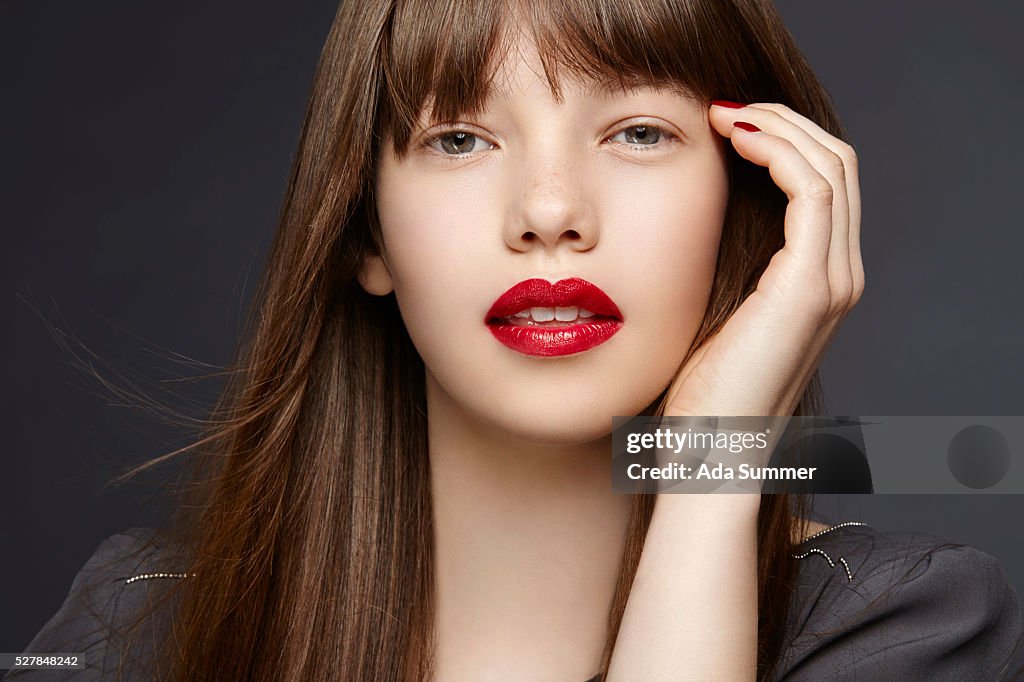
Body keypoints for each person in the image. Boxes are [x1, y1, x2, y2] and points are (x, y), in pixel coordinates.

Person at [10, 0, 1024, 680]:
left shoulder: (907, 625)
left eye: (637, 132)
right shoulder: (145, 620)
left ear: (748, 202)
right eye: (459, 138)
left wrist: (711, 466)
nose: (547, 210)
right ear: (365, 229)